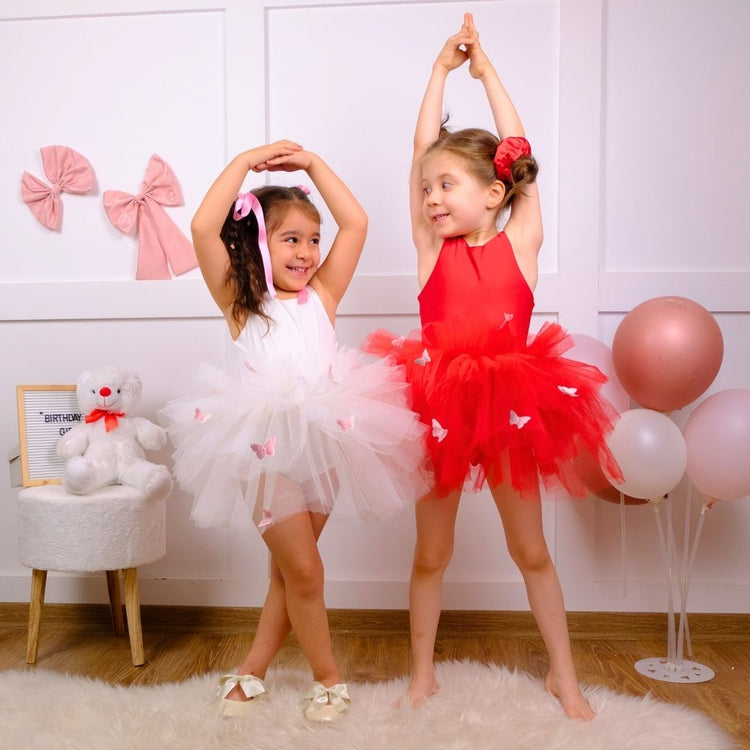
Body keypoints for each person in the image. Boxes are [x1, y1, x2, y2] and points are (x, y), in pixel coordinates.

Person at [365, 14, 622, 720]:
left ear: (496, 193)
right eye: (426, 191)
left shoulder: (523, 240)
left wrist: (487, 75)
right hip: (439, 404)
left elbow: (519, 151)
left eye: (447, 186)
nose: (432, 199)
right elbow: (421, 148)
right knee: (431, 552)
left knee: (531, 548)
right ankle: (423, 673)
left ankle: (563, 675)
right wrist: (440, 71)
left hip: (513, 402)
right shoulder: (430, 251)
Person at [161, 141, 427, 722]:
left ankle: (252, 669)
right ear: (258, 243)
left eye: (312, 240)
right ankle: (328, 678)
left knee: (289, 573)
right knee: (305, 570)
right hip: (261, 450)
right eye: (291, 239)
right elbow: (204, 226)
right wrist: (249, 160)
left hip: (327, 440)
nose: (307, 252)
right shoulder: (242, 302)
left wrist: (311, 165)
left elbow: (355, 221)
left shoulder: (322, 297)